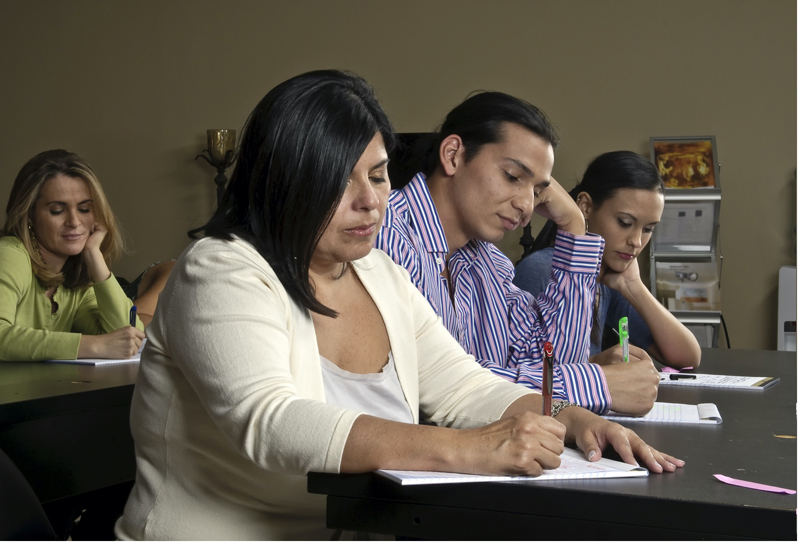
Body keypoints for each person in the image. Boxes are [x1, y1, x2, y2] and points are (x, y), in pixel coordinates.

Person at [116, 70, 682, 541]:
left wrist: (566, 414)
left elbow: (466, 388)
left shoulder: (377, 272)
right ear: (285, 179)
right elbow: (273, 424)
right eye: (341, 179)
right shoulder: (221, 268)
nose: (370, 201)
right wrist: (467, 449)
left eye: (380, 175)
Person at [375, 93, 658, 416]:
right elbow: (434, 386)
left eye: (538, 191)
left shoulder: (490, 264)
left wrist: (574, 226)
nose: (527, 205)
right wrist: (594, 384)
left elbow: (554, 360)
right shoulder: (382, 235)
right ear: (453, 155)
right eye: (512, 177)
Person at [514, 151, 701, 370]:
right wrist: (596, 365)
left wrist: (634, 286)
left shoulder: (608, 278)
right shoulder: (541, 270)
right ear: (585, 207)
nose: (637, 241)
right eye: (624, 222)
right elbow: (516, 374)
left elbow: (688, 357)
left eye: (648, 229)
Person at [0, 149, 145, 362]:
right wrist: (93, 346)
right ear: (29, 215)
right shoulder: (10, 254)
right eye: (57, 210)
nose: (74, 222)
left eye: (85, 209)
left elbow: (128, 335)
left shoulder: (75, 280)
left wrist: (93, 255)